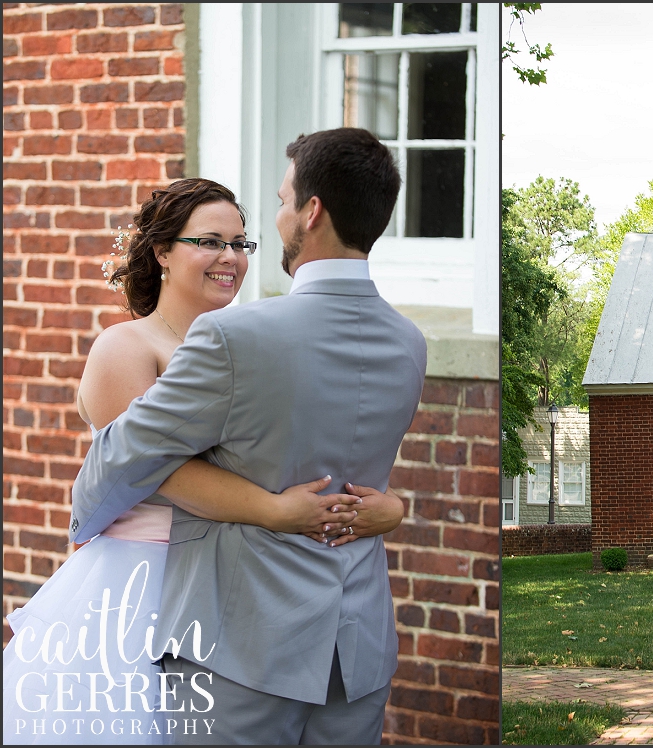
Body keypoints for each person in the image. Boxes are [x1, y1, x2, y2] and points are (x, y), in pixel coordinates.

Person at [2, 178, 402, 745]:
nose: (230, 259)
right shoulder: (128, 347)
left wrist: (390, 506)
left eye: (240, 244)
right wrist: (274, 510)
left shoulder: (256, 342)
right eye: (210, 242)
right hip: (145, 582)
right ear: (162, 252)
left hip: (239, 584)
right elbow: (153, 471)